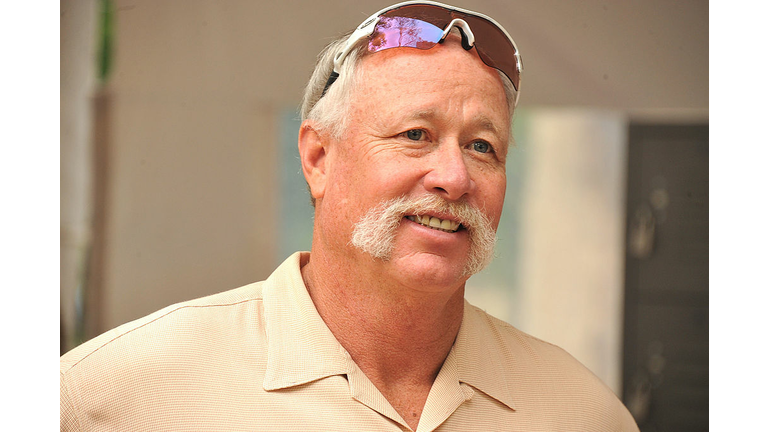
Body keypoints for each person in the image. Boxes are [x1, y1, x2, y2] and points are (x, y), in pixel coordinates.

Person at [60, 2, 639, 431]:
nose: (454, 177)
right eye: (415, 135)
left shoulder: (581, 412)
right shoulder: (121, 390)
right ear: (318, 158)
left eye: (482, 146)